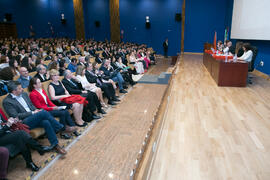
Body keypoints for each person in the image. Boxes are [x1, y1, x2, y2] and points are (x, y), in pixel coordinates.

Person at [3, 81, 68, 155]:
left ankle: (55, 145)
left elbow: (31, 105)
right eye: (20, 88)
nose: (22, 89)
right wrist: (33, 113)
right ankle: (58, 127)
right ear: (14, 91)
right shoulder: (7, 101)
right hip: (23, 122)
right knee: (43, 112)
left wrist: (35, 110)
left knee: (46, 122)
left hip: (34, 117)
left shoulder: (24, 94)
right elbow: (15, 115)